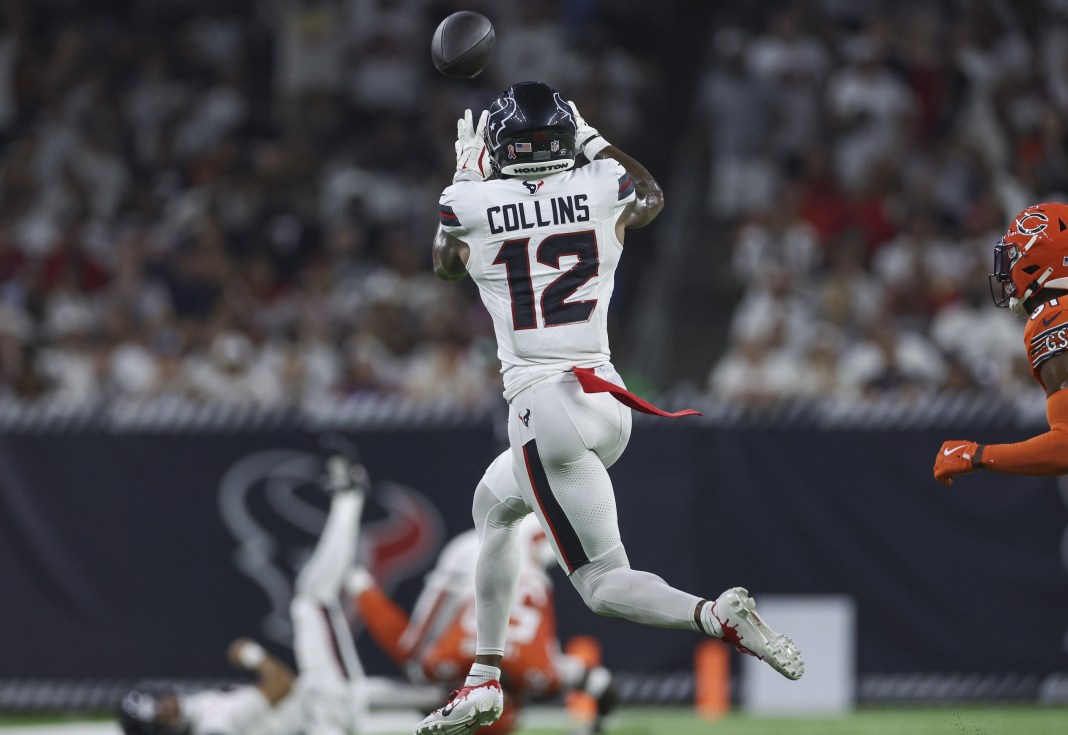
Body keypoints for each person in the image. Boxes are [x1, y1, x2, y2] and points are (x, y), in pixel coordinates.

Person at [419, 81, 804, 734]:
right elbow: (650, 196)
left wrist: (463, 172)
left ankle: (714, 615)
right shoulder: (599, 186)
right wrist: (591, 135)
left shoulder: (472, 201)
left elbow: (445, 265)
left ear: (500, 149)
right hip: (605, 400)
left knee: (601, 584)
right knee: (494, 504)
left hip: (544, 408)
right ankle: (484, 678)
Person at [351, 453, 618, 735]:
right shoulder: (445, 664)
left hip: (501, 561)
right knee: (412, 655)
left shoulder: (542, 675)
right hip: (485, 568)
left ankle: (358, 581)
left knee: (416, 655)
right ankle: (358, 582)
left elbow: (601, 685)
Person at [118, 454, 372, 735]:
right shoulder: (213, 725)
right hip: (322, 714)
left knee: (311, 598)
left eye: (160, 701)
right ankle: (349, 497)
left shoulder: (198, 709)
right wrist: (252, 655)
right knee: (310, 599)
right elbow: (281, 684)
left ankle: (349, 498)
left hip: (318, 708)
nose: (169, 705)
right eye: (161, 714)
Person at [934, 202, 1068, 484]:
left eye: (1014, 258)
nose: (1007, 272)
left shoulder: (1055, 315)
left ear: (1043, 262)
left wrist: (977, 455)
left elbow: (1065, 448)